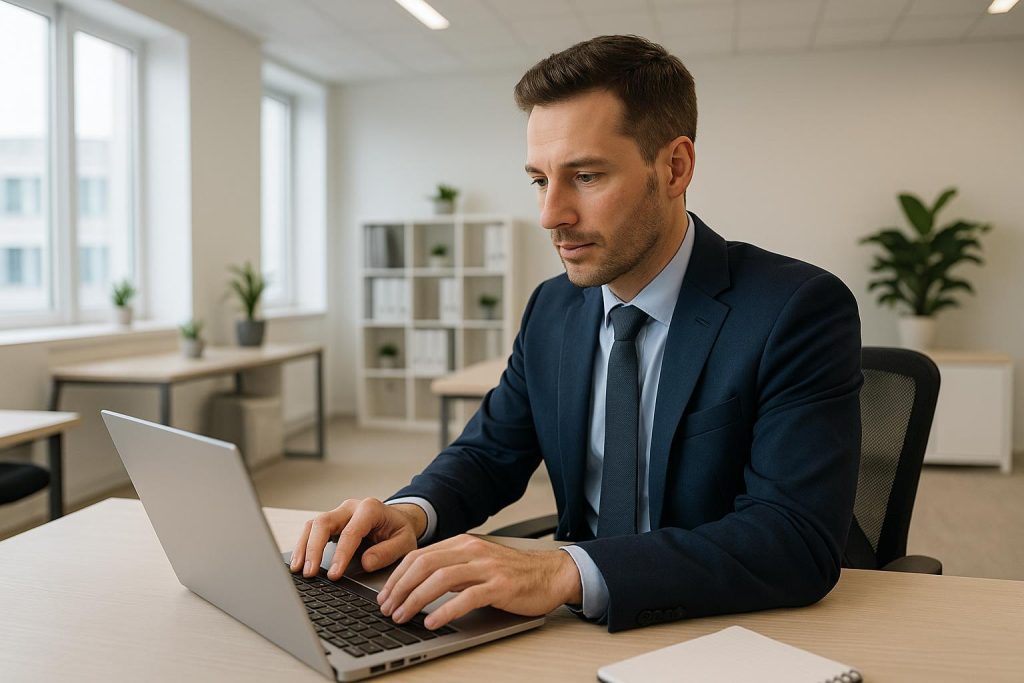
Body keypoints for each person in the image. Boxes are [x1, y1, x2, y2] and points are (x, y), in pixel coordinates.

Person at [290, 35, 862, 633]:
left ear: (674, 167)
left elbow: (793, 537)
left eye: (585, 176)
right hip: (577, 624)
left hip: (725, 623)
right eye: (540, 180)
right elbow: (490, 453)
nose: (550, 214)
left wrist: (562, 571)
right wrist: (411, 513)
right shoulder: (554, 307)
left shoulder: (794, 309)